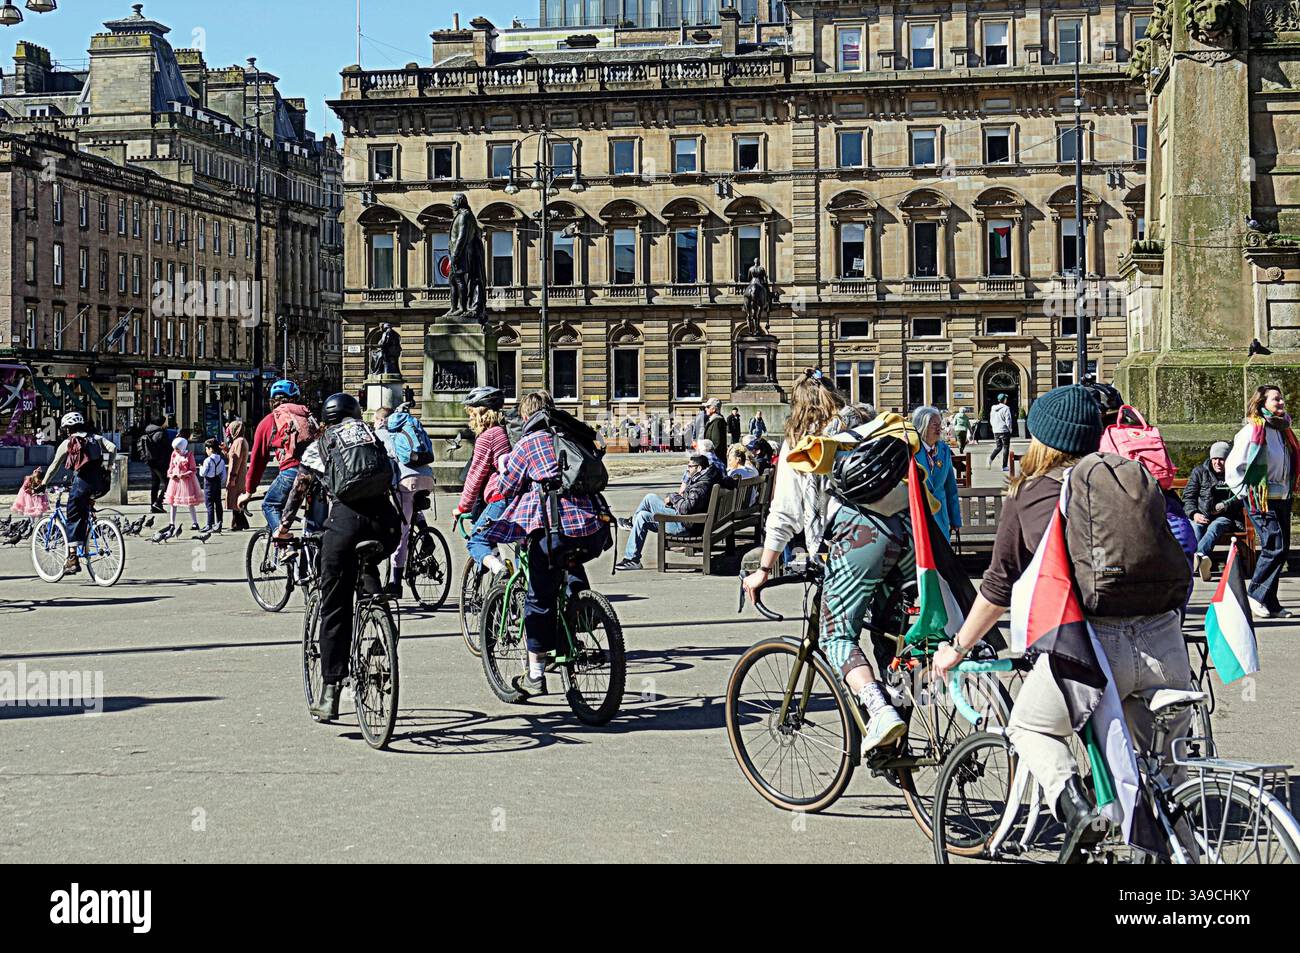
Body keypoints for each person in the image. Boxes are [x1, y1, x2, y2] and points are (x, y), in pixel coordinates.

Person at [933, 385, 1194, 861]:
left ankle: (1077, 812)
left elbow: (997, 588)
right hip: (1165, 643)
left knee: (1030, 727)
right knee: (1165, 787)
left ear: (1040, 438)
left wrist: (957, 647)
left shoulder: (1030, 495)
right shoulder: (1132, 479)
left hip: (1094, 652)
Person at [276, 393, 401, 722]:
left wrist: (283, 528)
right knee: (370, 569)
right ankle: (383, 631)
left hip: (345, 524)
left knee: (335, 605)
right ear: (356, 414)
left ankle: (330, 692)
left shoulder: (322, 444)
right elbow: (396, 476)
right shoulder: (373, 436)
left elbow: (299, 488)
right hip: (385, 523)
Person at [478, 390, 610, 696]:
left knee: (539, 597)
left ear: (525, 417)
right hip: (591, 527)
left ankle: (535, 675)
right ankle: (582, 612)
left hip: (553, 527)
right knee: (569, 565)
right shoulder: (572, 435)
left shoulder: (529, 442)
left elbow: (508, 486)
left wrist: (503, 472)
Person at [1227, 384, 1299, 619]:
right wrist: (1243, 493)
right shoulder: (1252, 431)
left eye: (1281, 399)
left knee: (1281, 549)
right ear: (1262, 404)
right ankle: (1256, 595)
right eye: (1275, 399)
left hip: (1283, 497)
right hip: (1260, 498)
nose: (1280, 403)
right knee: (1274, 545)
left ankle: (1271, 601)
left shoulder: (1284, 429)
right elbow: (1234, 466)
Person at [35, 412, 117, 574]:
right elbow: (113, 448)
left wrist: (43, 484)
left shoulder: (68, 442)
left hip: (82, 484)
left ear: (68, 429)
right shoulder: (96, 438)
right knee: (84, 508)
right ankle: (88, 533)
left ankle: (72, 558)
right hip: (101, 484)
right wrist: (108, 468)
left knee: (73, 514)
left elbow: (54, 466)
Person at [616, 452, 722, 571]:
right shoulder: (709, 477)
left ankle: (632, 557)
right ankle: (633, 536)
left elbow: (686, 508)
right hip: (692, 521)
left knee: (643, 513)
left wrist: (673, 497)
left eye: (690, 466)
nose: (688, 469)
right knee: (648, 500)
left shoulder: (701, 485)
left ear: (699, 468)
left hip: (685, 525)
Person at [238, 379, 317, 534]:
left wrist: (249, 491)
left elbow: (258, 461)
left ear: (272, 400)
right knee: (315, 518)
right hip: (318, 472)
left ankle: (284, 544)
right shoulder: (308, 415)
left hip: (292, 472)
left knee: (270, 505)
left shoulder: (268, 422)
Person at [373, 403, 436, 597]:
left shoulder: (382, 434)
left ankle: (396, 583)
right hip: (426, 477)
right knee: (411, 505)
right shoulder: (409, 427)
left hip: (406, 481)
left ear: (381, 420)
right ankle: (425, 535)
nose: (373, 424)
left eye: (374, 420)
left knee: (402, 532)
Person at [453, 386, 513, 577]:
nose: (469, 418)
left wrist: (462, 507)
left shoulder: (488, 436)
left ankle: (499, 570)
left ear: (481, 413)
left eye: (471, 413)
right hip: (516, 496)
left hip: (500, 498)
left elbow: (475, 476)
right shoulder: (502, 431)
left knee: (477, 541)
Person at [1183, 441, 1244, 582]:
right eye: (1215, 459)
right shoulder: (1199, 472)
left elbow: (1241, 496)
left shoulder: (1235, 473)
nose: (1218, 462)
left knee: (1215, 527)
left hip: (1226, 517)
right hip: (1201, 514)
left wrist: (1225, 505)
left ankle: (1197, 558)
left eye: (1222, 459)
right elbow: (1189, 496)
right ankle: (1203, 562)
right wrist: (1194, 514)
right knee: (1196, 528)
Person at [912, 405, 962, 540]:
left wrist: (955, 520)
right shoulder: (911, 450)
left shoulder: (944, 449)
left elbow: (950, 487)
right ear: (922, 426)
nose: (939, 428)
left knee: (942, 558)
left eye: (940, 424)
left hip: (941, 516)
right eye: (934, 424)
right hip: (919, 518)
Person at [165, 436, 203, 533]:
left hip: (187, 482)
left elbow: (193, 469)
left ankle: (195, 522)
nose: (176, 450)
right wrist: (171, 474)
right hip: (175, 481)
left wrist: (184, 475)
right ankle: (171, 523)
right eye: (175, 448)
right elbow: (171, 467)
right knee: (173, 502)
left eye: (177, 448)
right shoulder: (174, 454)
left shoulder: (189, 455)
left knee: (190, 502)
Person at [139, 416, 171, 513]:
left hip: (151, 460)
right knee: (168, 483)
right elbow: (166, 448)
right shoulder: (160, 433)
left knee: (155, 483)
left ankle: (153, 506)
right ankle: (158, 502)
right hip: (160, 461)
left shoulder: (148, 431)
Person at [225, 420, 251, 531]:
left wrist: (233, 477)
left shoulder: (239, 442)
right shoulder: (238, 441)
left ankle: (238, 523)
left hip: (238, 474)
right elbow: (232, 457)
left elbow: (236, 460)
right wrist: (226, 451)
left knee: (235, 498)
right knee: (235, 498)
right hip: (239, 473)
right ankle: (239, 523)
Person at [199, 439, 227, 534]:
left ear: (210, 449)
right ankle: (219, 523)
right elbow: (223, 475)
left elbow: (203, 473)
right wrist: (221, 482)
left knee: (209, 504)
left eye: (207, 449)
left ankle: (209, 524)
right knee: (218, 503)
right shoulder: (221, 460)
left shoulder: (207, 460)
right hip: (217, 482)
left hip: (209, 483)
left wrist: (200, 468)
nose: (206, 451)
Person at [988, 393, 1014, 471]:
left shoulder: (993, 408)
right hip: (1004, 430)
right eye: (1006, 398)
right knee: (1006, 447)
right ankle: (1004, 466)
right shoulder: (1006, 408)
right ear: (1004, 400)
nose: (1007, 400)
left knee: (998, 447)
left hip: (996, 430)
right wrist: (1010, 429)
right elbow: (1008, 420)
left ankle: (990, 459)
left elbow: (991, 419)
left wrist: (994, 427)